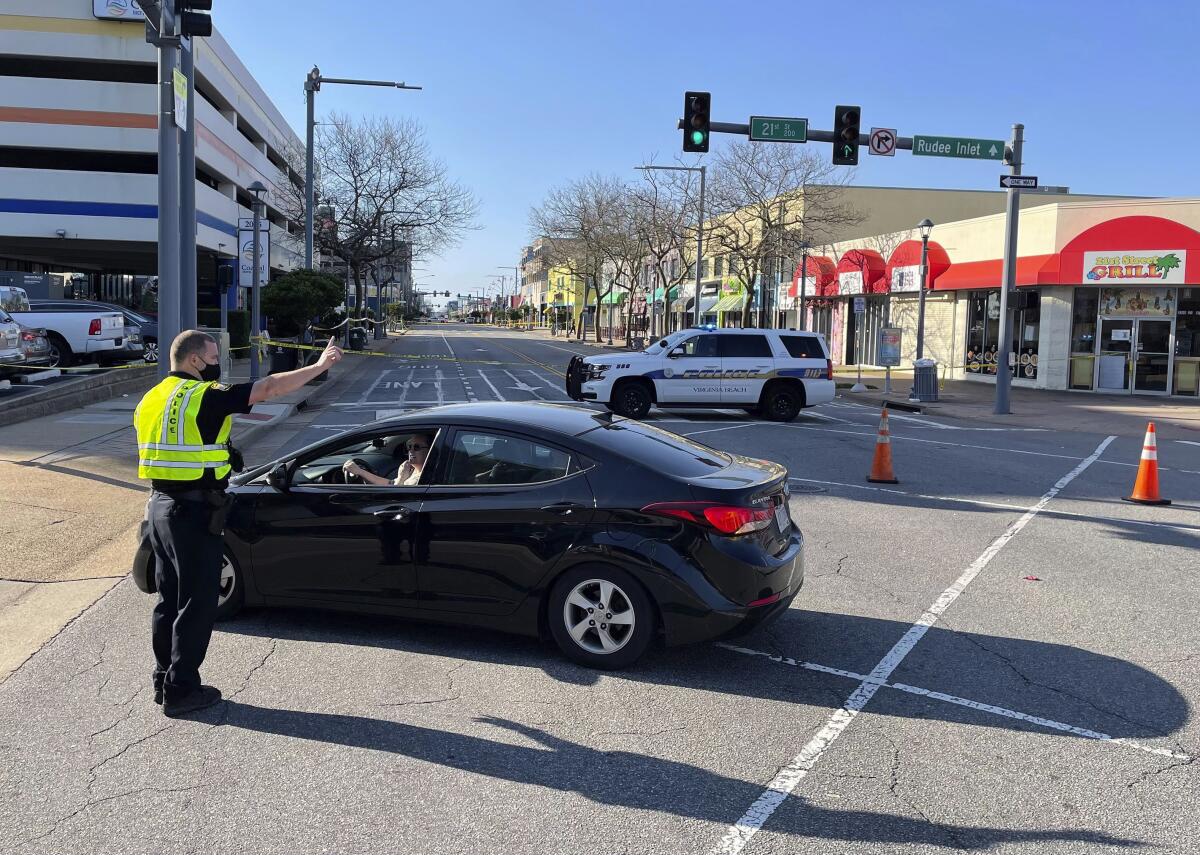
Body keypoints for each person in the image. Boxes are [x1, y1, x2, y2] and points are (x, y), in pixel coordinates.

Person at [134, 330, 344, 717]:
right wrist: (319, 366)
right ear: (195, 360)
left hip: (160, 508)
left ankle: (164, 680)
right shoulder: (203, 396)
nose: (219, 363)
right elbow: (267, 388)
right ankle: (182, 691)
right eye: (214, 356)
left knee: (168, 600)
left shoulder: (153, 397)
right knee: (197, 604)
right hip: (194, 513)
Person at [342, 433, 433, 487]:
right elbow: (390, 484)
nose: (411, 450)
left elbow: (398, 498)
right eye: (409, 446)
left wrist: (401, 478)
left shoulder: (426, 477)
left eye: (417, 447)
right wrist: (360, 472)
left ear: (430, 450)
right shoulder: (412, 471)